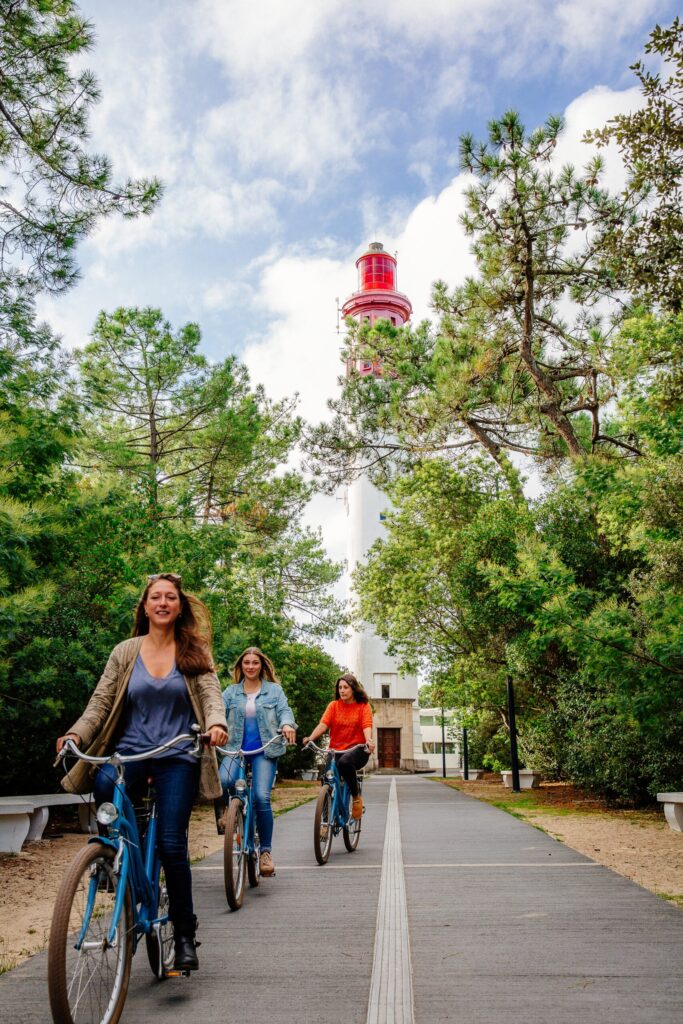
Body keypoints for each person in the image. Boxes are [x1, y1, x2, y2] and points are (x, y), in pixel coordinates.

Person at [55, 573, 227, 972]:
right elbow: (100, 703)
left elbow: (210, 695)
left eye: (170, 597)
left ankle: (184, 934)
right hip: (130, 753)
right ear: (145, 606)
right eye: (156, 597)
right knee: (101, 783)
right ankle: (115, 860)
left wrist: (216, 724)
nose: (163, 603)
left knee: (170, 845)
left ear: (179, 606)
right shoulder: (125, 651)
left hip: (177, 755)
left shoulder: (193, 650)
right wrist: (74, 733)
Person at [220, 647, 296, 877]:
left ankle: (265, 851)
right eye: (246, 663)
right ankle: (231, 813)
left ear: (261, 666)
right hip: (235, 749)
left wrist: (287, 725)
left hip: (265, 750)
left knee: (261, 797)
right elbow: (216, 713)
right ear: (240, 666)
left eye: (255, 663)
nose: (250, 666)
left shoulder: (274, 690)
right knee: (224, 779)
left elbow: (285, 711)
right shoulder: (231, 692)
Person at [303, 672, 375, 819]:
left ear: (353, 689)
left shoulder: (363, 706)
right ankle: (324, 823)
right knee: (327, 779)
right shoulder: (334, 706)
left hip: (358, 749)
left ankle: (355, 797)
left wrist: (369, 740)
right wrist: (310, 738)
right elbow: (323, 725)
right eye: (340, 687)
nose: (342, 690)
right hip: (336, 750)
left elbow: (366, 725)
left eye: (345, 687)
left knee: (345, 763)